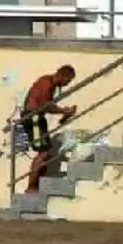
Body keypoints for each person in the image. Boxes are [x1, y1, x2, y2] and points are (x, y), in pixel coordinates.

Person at [21, 64, 77, 194]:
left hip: (37, 117)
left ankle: (36, 185)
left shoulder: (51, 85)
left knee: (46, 153)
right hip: (33, 117)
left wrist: (64, 115)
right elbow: (45, 105)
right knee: (43, 153)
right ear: (62, 76)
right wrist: (63, 110)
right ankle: (31, 187)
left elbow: (48, 106)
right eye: (67, 81)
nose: (67, 84)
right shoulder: (46, 83)